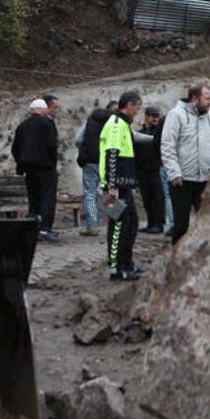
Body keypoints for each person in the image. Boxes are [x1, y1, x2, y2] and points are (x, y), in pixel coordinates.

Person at [160, 82, 210, 244]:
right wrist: (174, 173)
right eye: (206, 98)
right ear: (194, 99)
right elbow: (167, 146)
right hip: (182, 181)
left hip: (205, 180)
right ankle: (177, 263)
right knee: (181, 226)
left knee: (208, 223)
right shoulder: (176, 115)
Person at [100, 91, 144, 281]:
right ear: (129, 105)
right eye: (137, 106)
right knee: (121, 225)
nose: (138, 110)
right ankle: (119, 267)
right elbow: (111, 154)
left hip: (122, 184)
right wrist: (111, 186)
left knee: (129, 223)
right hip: (116, 186)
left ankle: (124, 263)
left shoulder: (122, 125)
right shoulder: (116, 125)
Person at [12, 98, 61, 242]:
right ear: (43, 109)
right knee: (47, 198)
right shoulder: (47, 123)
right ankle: (45, 229)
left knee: (33, 200)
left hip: (28, 168)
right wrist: (53, 163)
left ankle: (34, 228)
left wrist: (21, 163)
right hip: (45, 167)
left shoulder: (23, 125)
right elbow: (52, 145)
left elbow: (15, 148)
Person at [74, 100, 119, 237]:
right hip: (109, 161)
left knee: (90, 193)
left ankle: (92, 226)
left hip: (91, 161)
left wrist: (86, 148)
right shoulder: (116, 122)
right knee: (111, 191)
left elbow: (78, 140)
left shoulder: (91, 119)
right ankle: (116, 224)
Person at [133, 106, 166, 234]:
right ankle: (151, 223)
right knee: (147, 199)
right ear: (146, 116)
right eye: (152, 116)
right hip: (142, 170)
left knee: (157, 198)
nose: (154, 119)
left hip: (155, 169)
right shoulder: (140, 133)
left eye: (156, 116)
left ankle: (158, 224)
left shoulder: (158, 132)